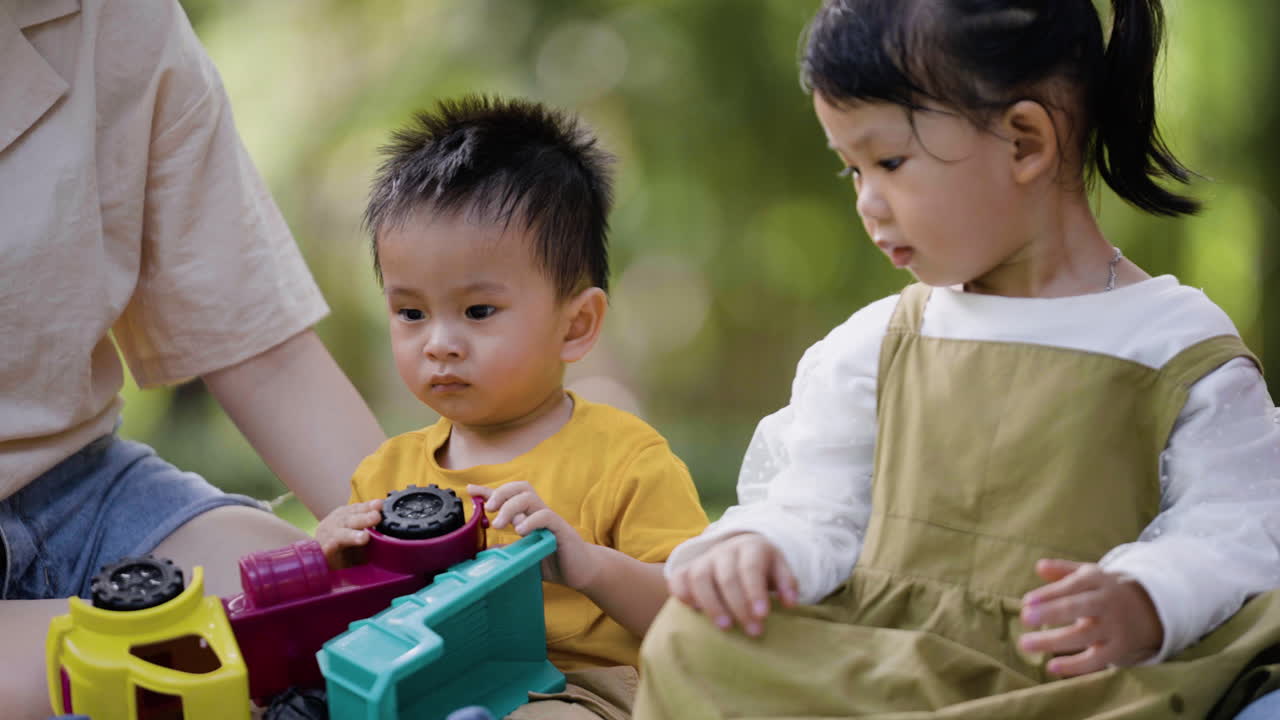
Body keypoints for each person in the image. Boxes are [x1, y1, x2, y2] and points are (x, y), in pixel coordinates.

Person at [633, 1, 1280, 718]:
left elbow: (1239, 524)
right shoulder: (876, 344)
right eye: (851, 170)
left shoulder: (1173, 342)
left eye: (889, 162)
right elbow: (820, 504)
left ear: (1025, 142)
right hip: (884, 664)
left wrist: (1151, 598)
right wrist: (764, 549)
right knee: (688, 640)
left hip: (1076, 682)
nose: (868, 204)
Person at [0, 1, 385, 717]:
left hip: (80, 495)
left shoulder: (118, 17)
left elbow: (262, 350)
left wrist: (427, 548)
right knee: (155, 680)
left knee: (328, 622)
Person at [314, 95, 709, 719]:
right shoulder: (386, 477)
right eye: (411, 313)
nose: (440, 343)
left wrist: (591, 566)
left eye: (477, 312)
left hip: (576, 689)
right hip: (420, 686)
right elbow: (358, 633)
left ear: (576, 324)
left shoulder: (625, 459)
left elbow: (694, 618)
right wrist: (330, 568)